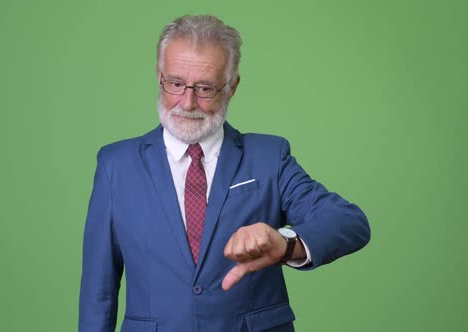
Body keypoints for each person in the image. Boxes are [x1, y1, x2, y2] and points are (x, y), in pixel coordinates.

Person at [79, 15, 370, 332]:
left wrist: (286, 244)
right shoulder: (116, 165)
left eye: (205, 88)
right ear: (159, 76)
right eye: (175, 83)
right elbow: (98, 291)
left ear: (232, 87)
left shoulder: (269, 157)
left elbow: (350, 221)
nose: (187, 102)